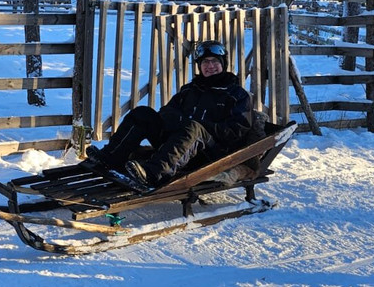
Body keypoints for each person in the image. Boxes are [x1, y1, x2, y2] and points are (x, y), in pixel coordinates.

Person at [86, 39, 254, 192]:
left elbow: (237, 131)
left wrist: (200, 125)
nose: (210, 66)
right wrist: (180, 121)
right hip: (175, 145)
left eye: (215, 62)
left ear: (223, 64)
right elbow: (167, 112)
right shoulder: (190, 90)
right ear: (199, 66)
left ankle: (153, 175)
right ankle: (110, 157)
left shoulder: (237, 95)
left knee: (193, 128)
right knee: (142, 113)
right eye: (205, 62)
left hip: (209, 154)